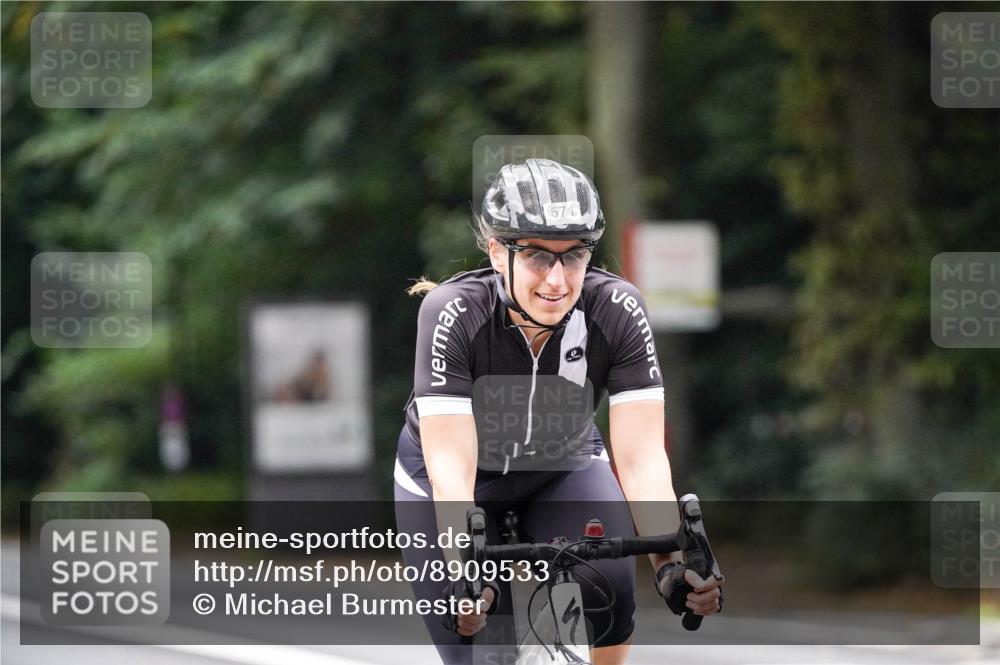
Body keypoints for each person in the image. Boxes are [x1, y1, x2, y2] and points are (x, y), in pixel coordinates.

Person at [394, 158, 722, 665]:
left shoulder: (618, 309)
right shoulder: (452, 312)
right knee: (471, 635)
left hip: (561, 466)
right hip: (455, 482)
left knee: (610, 590)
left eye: (574, 256)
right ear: (497, 249)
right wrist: (466, 568)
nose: (557, 278)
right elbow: (451, 473)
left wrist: (670, 565)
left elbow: (641, 461)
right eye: (536, 256)